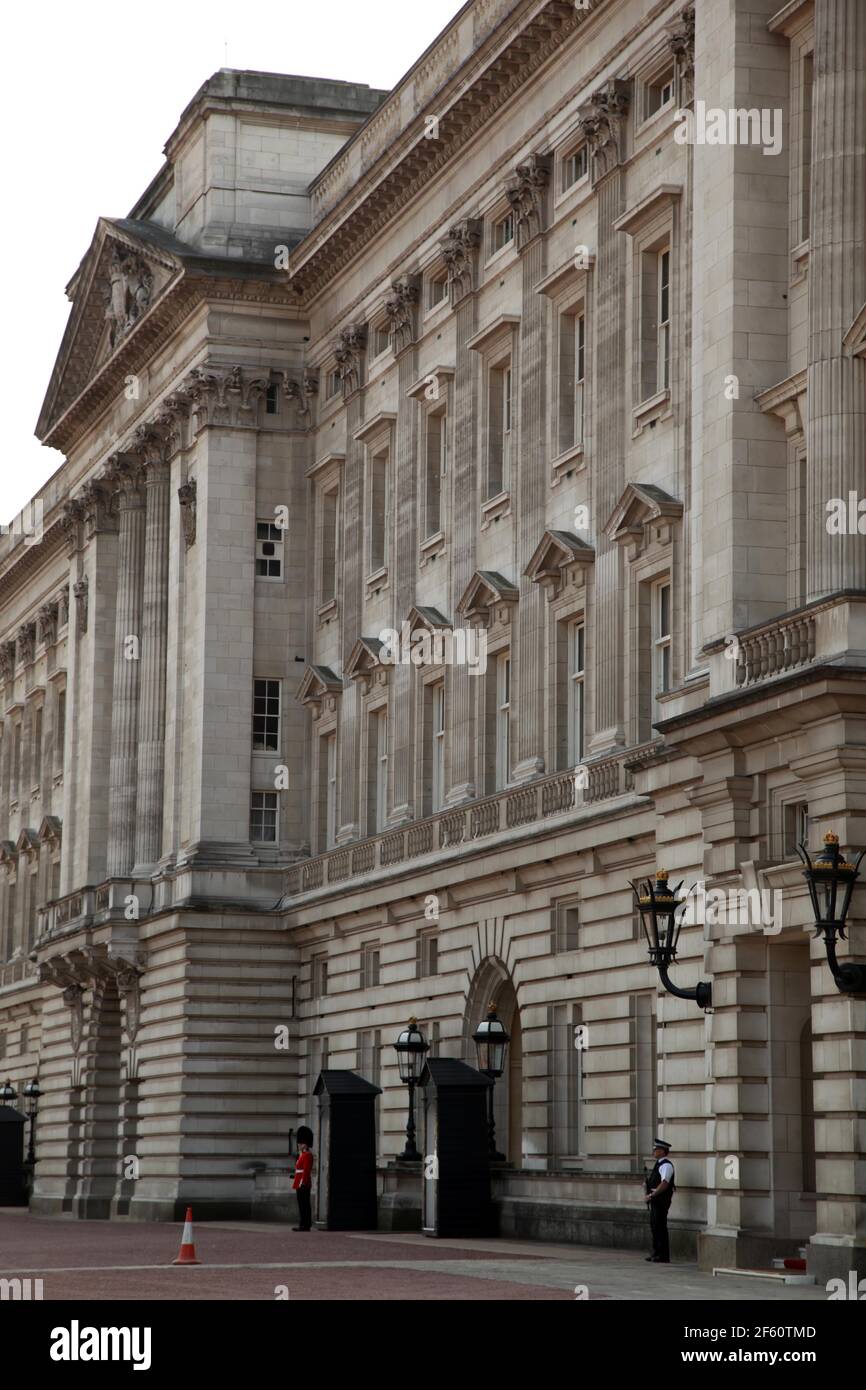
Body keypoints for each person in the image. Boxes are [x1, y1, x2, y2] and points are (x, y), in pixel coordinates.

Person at [644, 1137, 675, 1263]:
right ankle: (656, 1253)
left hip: (661, 1200)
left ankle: (663, 1255)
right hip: (656, 1200)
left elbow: (665, 1183)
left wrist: (652, 1195)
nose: (654, 1151)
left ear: (662, 1151)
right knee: (655, 1226)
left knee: (660, 1226)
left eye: (656, 1149)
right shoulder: (658, 1164)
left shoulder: (666, 1165)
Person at [291, 1125, 314, 1232]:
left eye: (301, 1143)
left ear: (305, 1144)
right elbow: (299, 1169)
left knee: (305, 1204)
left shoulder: (308, 1155)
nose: (299, 1145)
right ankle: (302, 1223)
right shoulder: (301, 1155)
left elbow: (306, 1170)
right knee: (301, 1204)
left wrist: (303, 1182)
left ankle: (306, 1224)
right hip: (299, 1182)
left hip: (303, 1183)